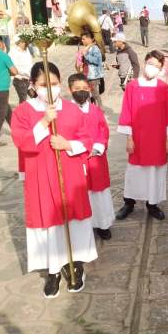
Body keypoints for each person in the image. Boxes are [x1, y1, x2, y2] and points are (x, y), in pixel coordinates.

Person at [11, 62, 97, 298]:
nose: (50, 89)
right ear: (33, 85)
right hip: (40, 174)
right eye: (43, 84)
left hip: (69, 172)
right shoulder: (23, 111)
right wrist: (44, 122)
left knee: (73, 219)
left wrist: (68, 144)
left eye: (55, 83)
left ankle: (76, 264)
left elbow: (87, 139)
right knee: (48, 220)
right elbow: (21, 142)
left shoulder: (72, 109)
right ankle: (53, 270)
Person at [116, 50, 168, 221]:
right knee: (134, 172)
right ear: (145, 63)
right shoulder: (132, 86)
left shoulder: (163, 88)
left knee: (155, 173)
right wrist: (129, 138)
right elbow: (127, 112)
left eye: (157, 66)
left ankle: (152, 204)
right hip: (138, 139)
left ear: (160, 69)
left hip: (158, 139)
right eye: (150, 64)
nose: (152, 68)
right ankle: (129, 202)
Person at [69, 73, 115, 240]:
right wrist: (78, 148)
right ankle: (84, 226)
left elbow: (103, 130)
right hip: (76, 158)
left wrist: (97, 147)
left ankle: (102, 224)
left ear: (89, 89)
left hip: (96, 158)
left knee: (98, 193)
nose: (81, 91)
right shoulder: (66, 111)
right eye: (77, 88)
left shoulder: (96, 111)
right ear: (70, 90)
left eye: (84, 88)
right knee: (81, 193)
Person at [80, 32, 105, 108]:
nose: (82, 40)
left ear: (90, 39)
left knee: (95, 94)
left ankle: (100, 108)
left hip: (93, 76)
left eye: (84, 39)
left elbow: (97, 60)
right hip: (86, 74)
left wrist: (86, 55)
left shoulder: (95, 48)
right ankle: (90, 108)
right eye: (82, 39)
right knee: (86, 92)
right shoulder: (87, 48)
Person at [9, 37, 33, 103]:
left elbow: (30, 63)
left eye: (25, 41)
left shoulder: (27, 50)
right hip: (20, 79)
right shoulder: (13, 52)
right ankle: (22, 110)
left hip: (29, 79)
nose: (25, 43)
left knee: (34, 96)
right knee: (23, 99)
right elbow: (12, 66)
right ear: (18, 42)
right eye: (23, 41)